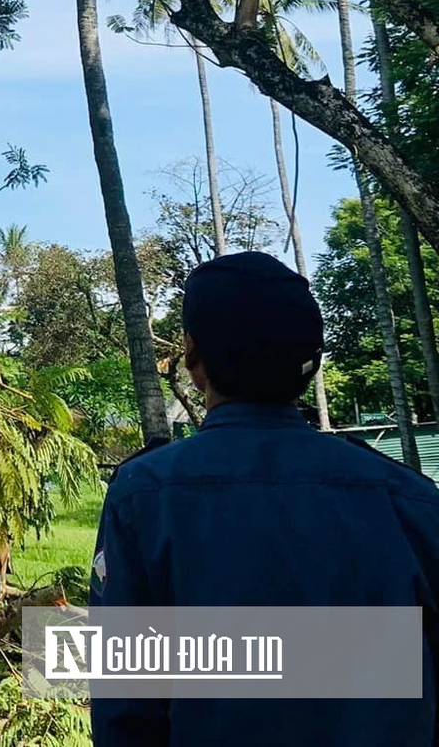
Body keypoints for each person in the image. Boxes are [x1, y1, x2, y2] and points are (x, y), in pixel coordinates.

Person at [90, 252, 439, 746]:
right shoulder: (411, 499)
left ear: (191, 356)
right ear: (312, 362)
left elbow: (127, 704)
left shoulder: (144, 496)